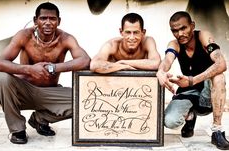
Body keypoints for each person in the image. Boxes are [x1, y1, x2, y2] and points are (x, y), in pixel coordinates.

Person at [0, 2, 90, 144]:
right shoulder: (24, 36)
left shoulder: (65, 39)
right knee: (2, 79)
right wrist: (30, 69)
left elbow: (85, 60)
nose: (48, 23)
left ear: (59, 21)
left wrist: (54, 68)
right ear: (35, 20)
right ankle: (17, 130)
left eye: (52, 19)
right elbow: (0, 63)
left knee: (87, 100)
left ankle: (40, 119)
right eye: (43, 18)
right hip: (24, 91)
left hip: (50, 93)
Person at [156, 11, 229, 150]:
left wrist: (192, 80)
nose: (180, 34)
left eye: (183, 28)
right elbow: (167, 60)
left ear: (192, 25)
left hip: (207, 91)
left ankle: (217, 131)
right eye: (175, 30)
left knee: (219, 76)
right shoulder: (175, 43)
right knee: (169, 121)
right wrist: (161, 71)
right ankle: (190, 117)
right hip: (189, 90)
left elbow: (221, 63)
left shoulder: (203, 36)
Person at [90, 12, 161, 73]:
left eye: (136, 32)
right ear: (121, 32)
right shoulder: (112, 45)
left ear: (143, 32)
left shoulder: (147, 41)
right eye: (128, 32)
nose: (132, 37)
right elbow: (94, 65)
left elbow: (155, 63)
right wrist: (124, 67)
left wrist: (123, 62)